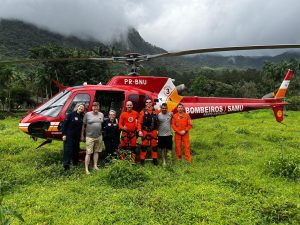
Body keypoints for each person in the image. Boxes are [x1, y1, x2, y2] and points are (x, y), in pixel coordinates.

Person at [81, 102, 104, 175]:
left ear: (99, 107)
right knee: (88, 153)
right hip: (89, 137)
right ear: (92, 108)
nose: (95, 108)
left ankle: (95, 166)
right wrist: (82, 135)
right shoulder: (87, 114)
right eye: (94, 107)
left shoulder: (101, 114)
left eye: (97, 107)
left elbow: (101, 124)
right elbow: (83, 126)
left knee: (96, 151)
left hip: (99, 136)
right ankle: (86, 169)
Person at [62, 103, 85, 171]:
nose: (81, 108)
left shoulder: (82, 116)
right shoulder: (70, 115)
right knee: (68, 151)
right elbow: (64, 125)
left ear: (83, 110)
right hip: (69, 136)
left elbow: (82, 127)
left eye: (82, 108)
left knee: (76, 150)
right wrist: (64, 134)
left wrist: (81, 136)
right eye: (80, 107)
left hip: (77, 137)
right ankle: (66, 166)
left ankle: (75, 163)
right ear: (77, 107)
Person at [138, 99, 159, 165]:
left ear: (152, 103)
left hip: (154, 131)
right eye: (147, 102)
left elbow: (163, 115)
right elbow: (139, 123)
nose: (148, 104)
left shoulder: (156, 111)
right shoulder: (142, 112)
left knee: (154, 146)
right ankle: (142, 160)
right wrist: (139, 131)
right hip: (145, 131)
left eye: (150, 102)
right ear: (145, 104)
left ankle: (155, 160)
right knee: (144, 146)